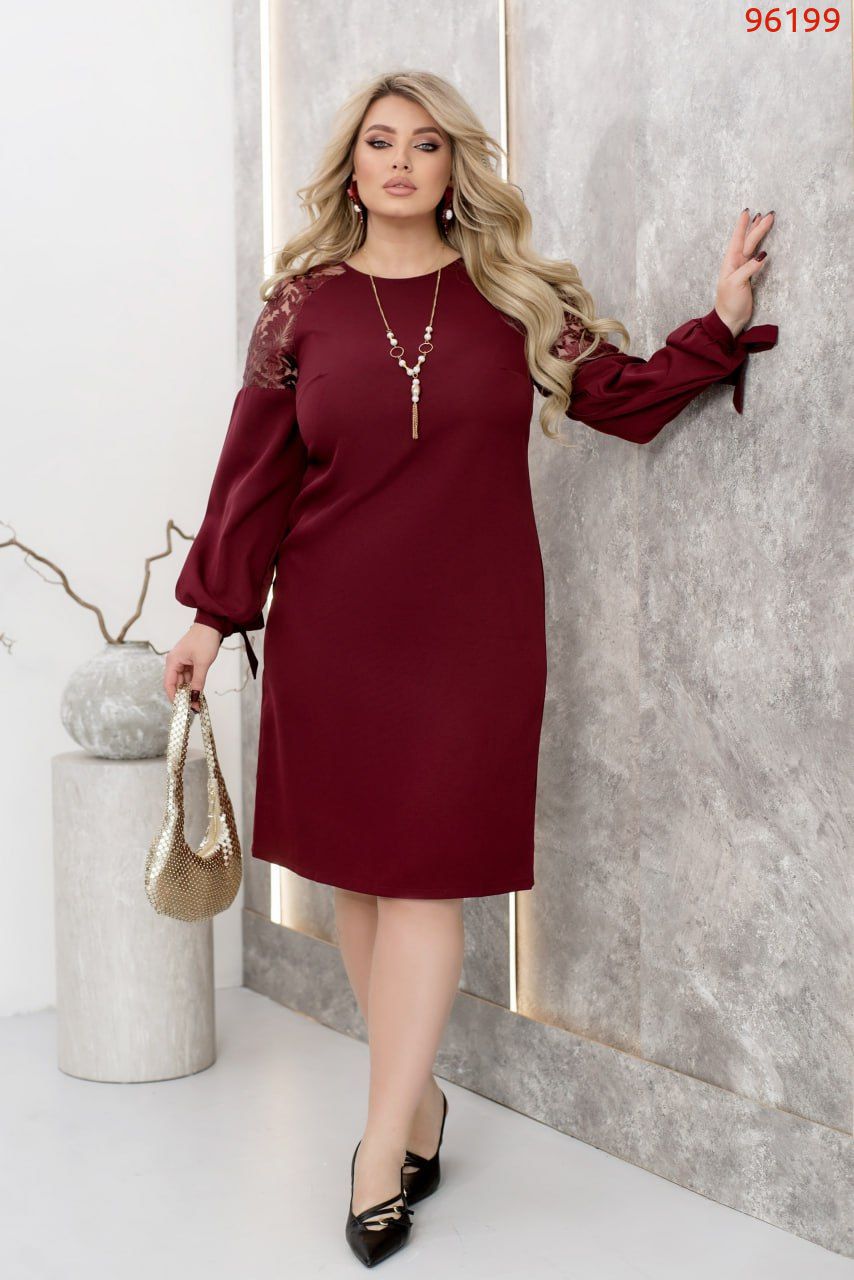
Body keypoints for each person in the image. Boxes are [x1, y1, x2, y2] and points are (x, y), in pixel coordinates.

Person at [164, 70, 777, 1267]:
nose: (400, 160)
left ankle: (376, 1150)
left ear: (454, 169)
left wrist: (715, 322)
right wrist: (210, 615)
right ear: (352, 168)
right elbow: (256, 474)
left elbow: (623, 396)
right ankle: (419, 1102)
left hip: (472, 637)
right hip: (332, 630)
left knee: (425, 884)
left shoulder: (510, 299)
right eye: (379, 141)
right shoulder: (300, 309)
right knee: (357, 883)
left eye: (426, 143)